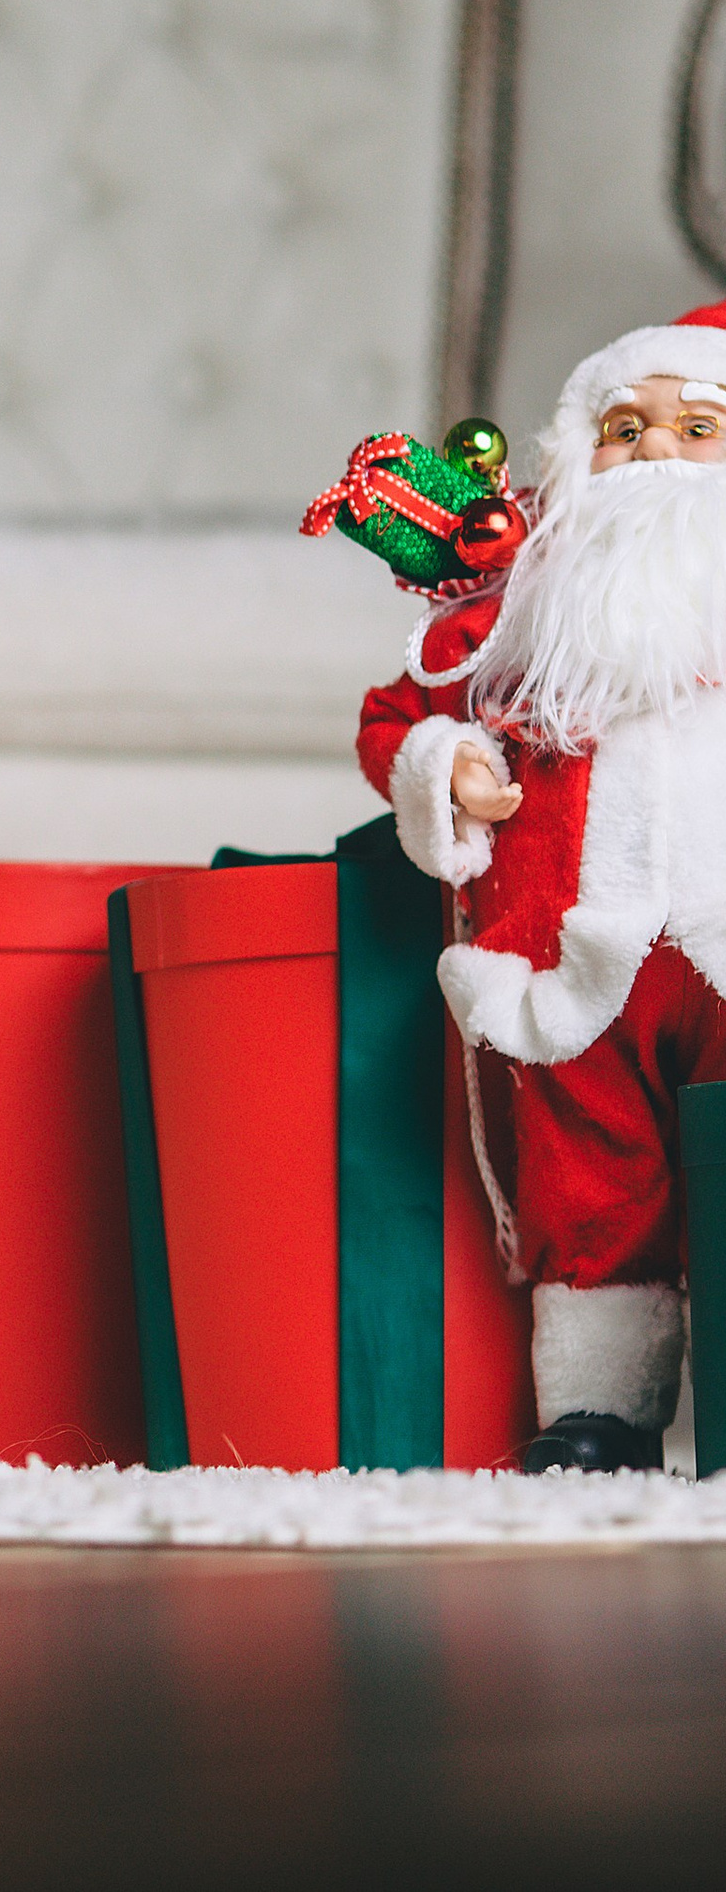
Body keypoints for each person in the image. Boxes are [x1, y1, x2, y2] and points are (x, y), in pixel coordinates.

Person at [360, 302, 726, 1472]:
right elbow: (400, 714)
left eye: (698, 426)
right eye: (623, 427)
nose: (655, 451)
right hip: (574, 964)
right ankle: (600, 1412)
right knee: (588, 1177)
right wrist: (446, 766)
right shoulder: (516, 611)